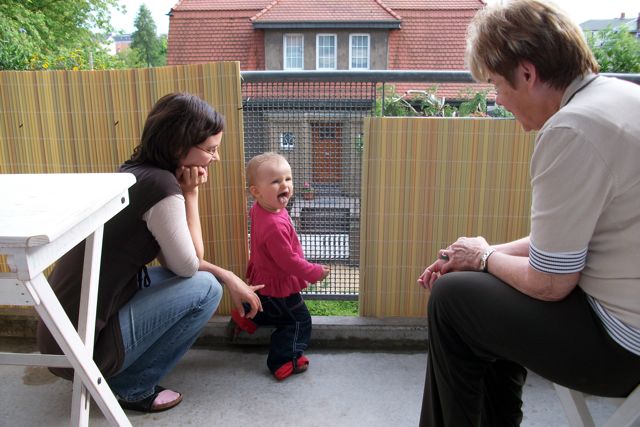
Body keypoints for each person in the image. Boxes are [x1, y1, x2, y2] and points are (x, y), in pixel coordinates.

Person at [416, 0, 640, 425]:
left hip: (625, 347)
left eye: (496, 85)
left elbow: (550, 283)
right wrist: (478, 255)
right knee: (483, 291)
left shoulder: (572, 129)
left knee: (452, 299)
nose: (498, 99)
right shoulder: (621, 96)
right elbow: (570, 242)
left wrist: (483, 257)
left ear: (527, 73)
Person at [37, 92, 263, 413]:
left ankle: (121, 374)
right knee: (206, 289)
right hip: (80, 348)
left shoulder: (135, 172)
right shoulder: (161, 187)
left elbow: (175, 262)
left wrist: (227, 275)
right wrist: (191, 193)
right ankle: (132, 386)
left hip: (60, 337)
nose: (215, 158)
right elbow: (188, 267)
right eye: (210, 149)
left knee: (200, 281)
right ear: (179, 145)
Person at [230, 152, 330, 380]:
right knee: (297, 321)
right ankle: (284, 360)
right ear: (256, 191)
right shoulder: (274, 226)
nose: (285, 185)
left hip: (263, 276)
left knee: (268, 305)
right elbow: (288, 261)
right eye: (276, 181)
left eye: (288, 178)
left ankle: (247, 315)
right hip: (280, 283)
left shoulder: (260, 208)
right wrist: (314, 272)